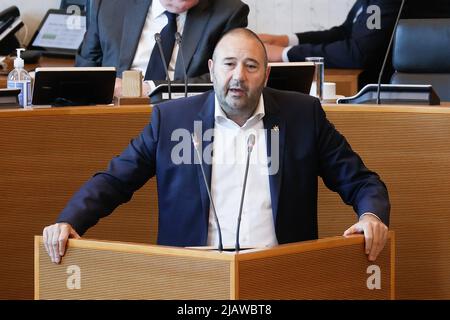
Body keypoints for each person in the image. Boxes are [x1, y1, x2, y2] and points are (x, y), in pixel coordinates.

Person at [43, 28, 390, 265]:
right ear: (211, 70)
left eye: (251, 66)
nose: (238, 76)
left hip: (277, 271)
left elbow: (362, 181)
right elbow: (115, 180)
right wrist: (69, 220)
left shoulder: (302, 117)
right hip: (194, 274)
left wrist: (370, 216)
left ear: (266, 75)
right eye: (229, 64)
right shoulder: (172, 120)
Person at [75, 0, 249, 96]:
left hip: (184, 116)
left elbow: (226, 78)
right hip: (115, 113)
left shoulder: (228, 13)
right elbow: (85, 71)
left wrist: (150, 88)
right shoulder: (110, 4)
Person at [259, 0, 403, 87]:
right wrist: (286, 40)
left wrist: (284, 54)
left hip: (375, 95)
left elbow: (359, 53)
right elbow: (344, 32)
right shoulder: (371, 3)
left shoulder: (384, 3)